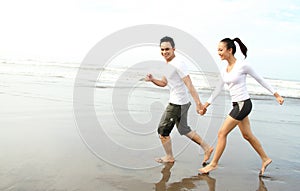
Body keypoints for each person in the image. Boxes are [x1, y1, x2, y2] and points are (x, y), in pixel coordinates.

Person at [198, 38, 284, 176]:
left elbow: (260, 79)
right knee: (247, 135)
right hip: (237, 105)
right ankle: (265, 158)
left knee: (222, 133)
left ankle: (213, 164)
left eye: (221, 50)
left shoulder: (242, 66)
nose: (218, 53)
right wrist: (206, 105)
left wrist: (276, 94)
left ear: (230, 50)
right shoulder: (224, 69)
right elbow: (218, 89)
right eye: (218, 50)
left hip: (243, 104)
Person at [145, 36, 213, 165]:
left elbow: (189, 84)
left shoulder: (179, 63)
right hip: (181, 102)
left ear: (173, 49)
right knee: (184, 129)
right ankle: (207, 148)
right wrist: (153, 79)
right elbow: (164, 83)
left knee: (163, 132)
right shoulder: (167, 64)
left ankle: (169, 157)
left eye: (167, 49)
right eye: (162, 49)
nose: (165, 52)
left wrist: (199, 103)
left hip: (177, 104)